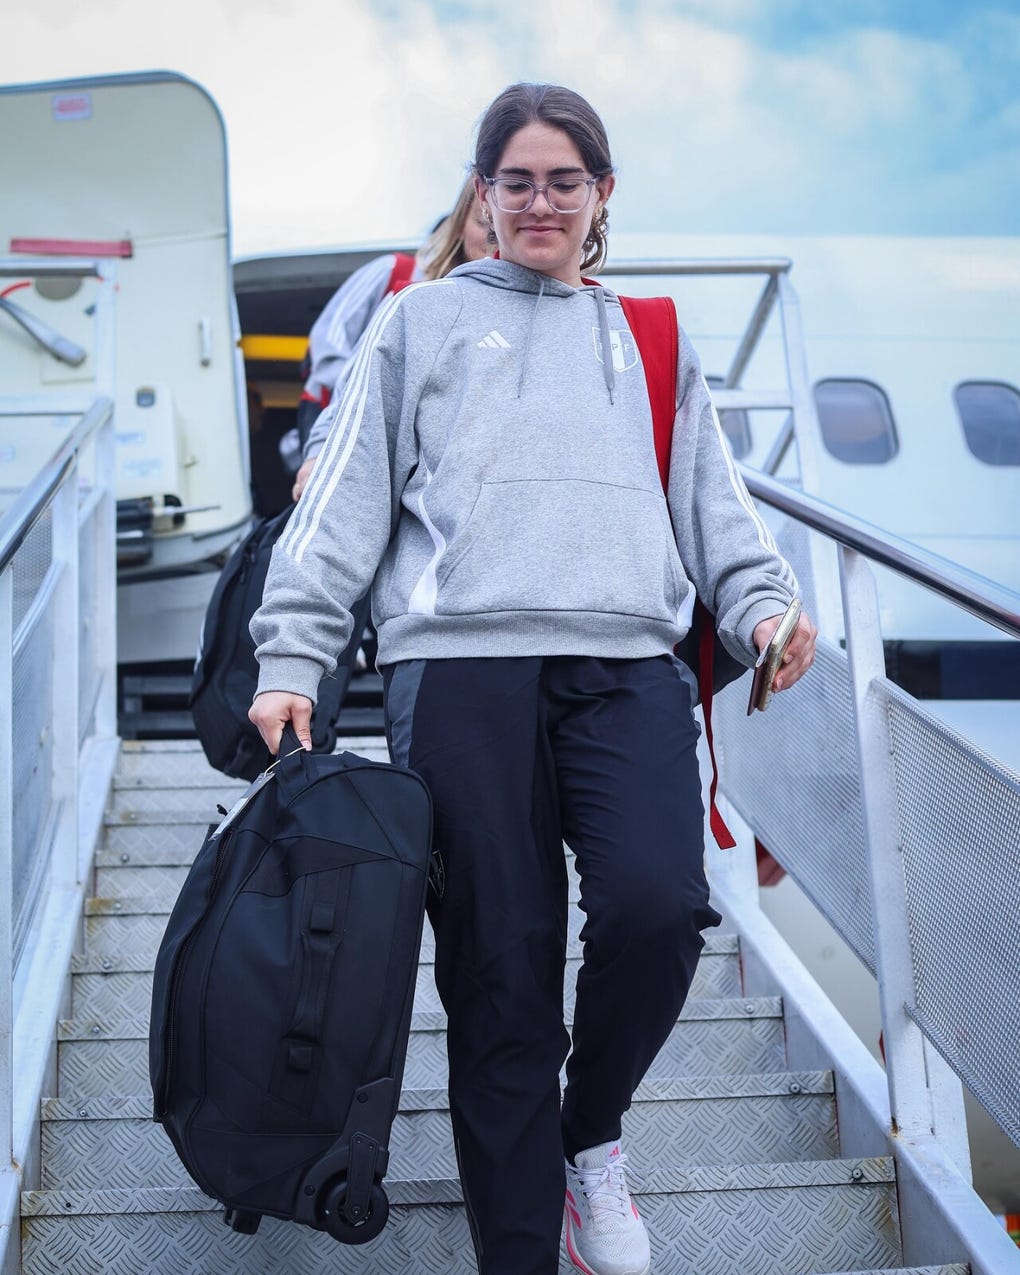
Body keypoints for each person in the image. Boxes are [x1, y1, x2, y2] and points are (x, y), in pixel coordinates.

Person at [249, 82, 817, 1275]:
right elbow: (343, 507)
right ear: (484, 195)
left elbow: (714, 506)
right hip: (460, 677)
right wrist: (293, 656)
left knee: (662, 910)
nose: (542, 201)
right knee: (500, 980)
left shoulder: (651, 336)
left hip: (623, 667)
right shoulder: (420, 325)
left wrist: (764, 609)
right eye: (518, 181)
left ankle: (591, 1139)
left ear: (601, 194)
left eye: (566, 180)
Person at [290, 177, 490, 500]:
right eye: (483, 224)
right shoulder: (395, 274)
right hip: (331, 406)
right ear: (457, 230)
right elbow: (331, 336)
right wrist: (358, 389)